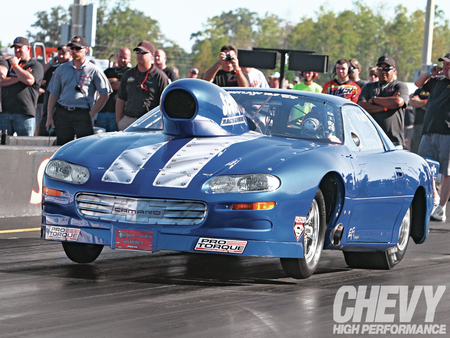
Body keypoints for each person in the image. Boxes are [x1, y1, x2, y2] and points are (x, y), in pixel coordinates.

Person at [46, 36, 112, 145]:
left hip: (83, 112)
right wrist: (49, 117)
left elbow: (105, 94)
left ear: (86, 50)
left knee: (84, 147)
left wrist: (91, 114)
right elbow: (53, 94)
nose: (74, 51)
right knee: (63, 147)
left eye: (78, 48)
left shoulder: (94, 70)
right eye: (72, 48)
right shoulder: (61, 69)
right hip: (63, 112)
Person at [414, 53, 450, 221]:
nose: (445, 66)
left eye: (448, 64)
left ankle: (442, 207)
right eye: (444, 64)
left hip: (447, 132)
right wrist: (430, 72)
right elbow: (418, 83)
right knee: (425, 168)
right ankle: (434, 199)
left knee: (447, 172)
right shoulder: (437, 80)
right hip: (429, 130)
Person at [116, 41, 169, 131]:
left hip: (150, 123)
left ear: (152, 55)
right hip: (129, 121)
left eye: (143, 52)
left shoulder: (160, 76)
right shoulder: (128, 74)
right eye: (137, 52)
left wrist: (161, 123)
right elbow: (121, 99)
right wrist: (119, 121)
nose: (139, 54)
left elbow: (166, 103)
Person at [358, 55, 409, 147]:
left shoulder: (399, 86)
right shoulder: (369, 87)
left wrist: (373, 99)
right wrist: (387, 106)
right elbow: (361, 106)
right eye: (380, 68)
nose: (383, 71)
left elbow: (398, 102)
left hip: (394, 141)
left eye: (387, 68)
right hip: (371, 140)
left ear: (394, 70)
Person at [0, 37, 44, 136]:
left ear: (28, 48)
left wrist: (15, 65)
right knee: (4, 147)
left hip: (25, 113)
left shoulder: (35, 65)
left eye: (20, 47)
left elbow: (29, 80)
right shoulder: (7, 63)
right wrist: (20, 78)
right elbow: (1, 81)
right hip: (5, 112)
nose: (17, 50)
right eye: (15, 48)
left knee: (26, 146)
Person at [37, 44, 72, 136]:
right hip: (48, 112)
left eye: (63, 54)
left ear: (70, 54)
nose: (60, 56)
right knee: (43, 136)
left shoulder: (73, 69)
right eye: (59, 54)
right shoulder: (54, 68)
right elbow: (39, 73)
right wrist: (51, 63)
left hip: (63, 113)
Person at [96, 47, 131, 132]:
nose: (122, 60)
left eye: (125, 58)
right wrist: (114, 80)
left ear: (130, 59)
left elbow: (119, 86)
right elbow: (100, 85)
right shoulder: (108, 71)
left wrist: (111, 82)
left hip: (118, 114)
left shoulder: (131, 73)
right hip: (102, 112)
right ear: (117, 56)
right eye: (121, 57)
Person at [408, 88, 428, 154]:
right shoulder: (419, 90)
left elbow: (437, 106)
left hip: (434, 125)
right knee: (415, 151)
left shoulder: (439, 88)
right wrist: (426, 102)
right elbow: (412, 102)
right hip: (419, 125)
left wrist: (420, 103)